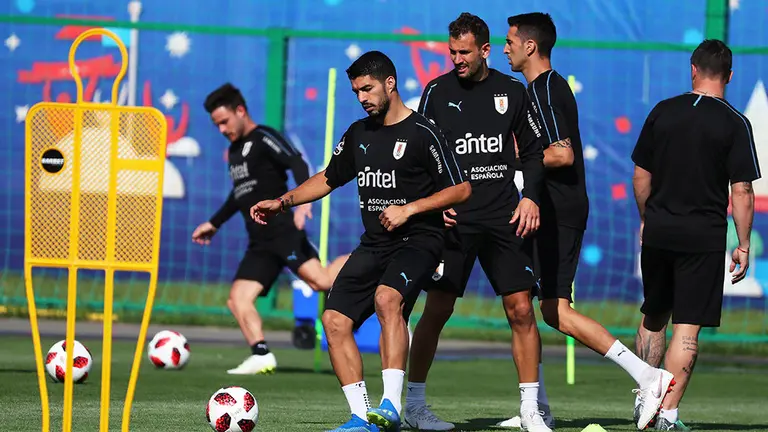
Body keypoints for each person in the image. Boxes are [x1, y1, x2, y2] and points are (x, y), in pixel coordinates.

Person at [250, 51, 471, 432]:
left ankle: (390, 407)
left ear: (390, 83)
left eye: (367, 88)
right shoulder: (358, 133)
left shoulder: (424, 132)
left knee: (388, 300)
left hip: (420, 238)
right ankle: (360, 416)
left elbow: (461, 189)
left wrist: (410, 208)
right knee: (333, 321)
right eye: (356, 92)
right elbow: (328, 178)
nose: (362, 97)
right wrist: (283, 201)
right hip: (374, 243)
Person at [500, 12, 675, 431]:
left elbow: (562, 154)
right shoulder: (536, 90)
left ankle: (648, 376)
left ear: (530, 46)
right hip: (546, 209)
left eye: (509, 41)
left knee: (556, 311)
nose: (504, 48)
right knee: (526, 307)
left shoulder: (546, 89)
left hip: (558, 212)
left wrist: (509, 160)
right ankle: (536, 408)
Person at [402, 12, 551, 432]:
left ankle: (530, 410)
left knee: (521, 310)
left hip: (504, 217)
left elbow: (536, 153)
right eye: (451, 52)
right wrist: (432, 204)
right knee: (438, 309)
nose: (456, 59)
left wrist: (532, 198)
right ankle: (414, 405)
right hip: (454, 222)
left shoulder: (512, 91)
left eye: (464, 52)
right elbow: (420, 151)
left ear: (485, 50)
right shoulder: (435, 91)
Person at [632, 39, 759, 431]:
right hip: (701, 238)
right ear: (730, 76)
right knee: (687, 326)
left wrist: (646, 218)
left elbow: (640, 176)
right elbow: (742, 191)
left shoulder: (662, 112)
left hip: (659, 231)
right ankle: (666, 414)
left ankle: (643, 402)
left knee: (654, 315)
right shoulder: (735, 122)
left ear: (692, 69)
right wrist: (742, 243)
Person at [192, 83, 349, 375]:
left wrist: (302, 204)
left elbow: (296, 161)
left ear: (240, 111)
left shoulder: (264, 137)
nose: (222, 129)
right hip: (259, 242)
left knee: (322, 282)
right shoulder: (235, 152)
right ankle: (261, 354)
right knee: (238, 298)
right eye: (216, 125)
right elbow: (239, 194)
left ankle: (370, 258)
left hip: (281, 231)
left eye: (224, 121)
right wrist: (214, 223)